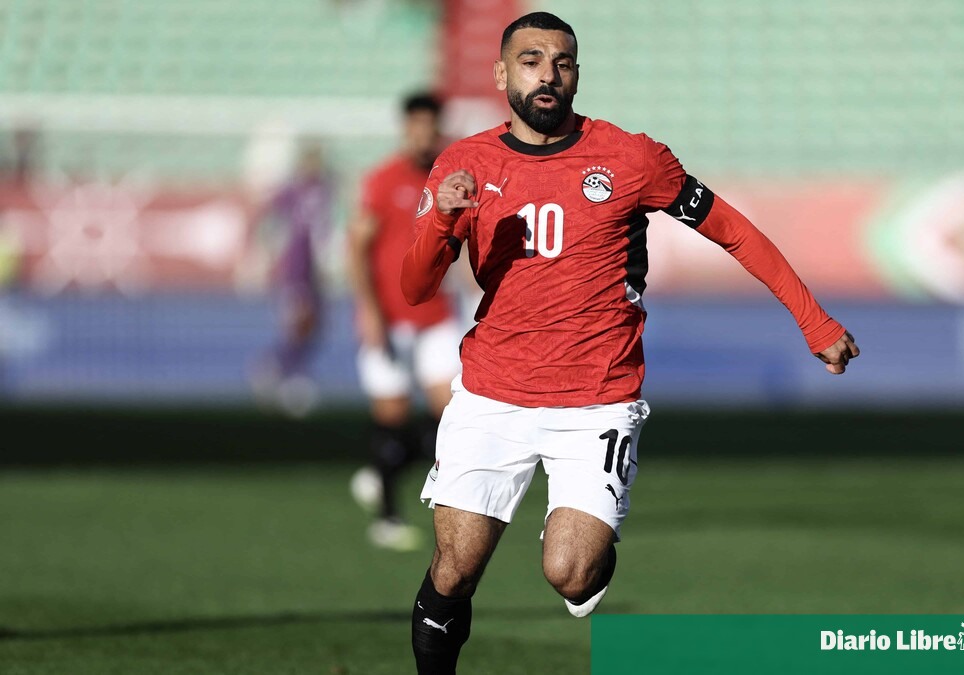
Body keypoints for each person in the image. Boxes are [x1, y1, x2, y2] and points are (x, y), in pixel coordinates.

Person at [402, 12, 860, 674]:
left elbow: (732, 230)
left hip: (596, 401)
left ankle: (590, 559)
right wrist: (443, 217)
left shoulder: (631, 157)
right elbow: (416, 289)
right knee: (454, 568)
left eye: (562, 62)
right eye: (531, 61)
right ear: (501, 74)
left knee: (570, 571)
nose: (547, 75)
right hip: (491, 395)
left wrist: (813, 320)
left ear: (576, 75)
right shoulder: (463, 164)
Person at [347, 93, 463, 551]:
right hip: (391, 318)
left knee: (452, 417)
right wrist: (369, 309)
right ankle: (387, 516)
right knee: (391, 417)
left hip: (435, 317)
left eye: (430, 127)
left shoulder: (449, 180)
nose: (423, 136)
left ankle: (382, 473)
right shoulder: (383, 180)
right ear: (405, 129)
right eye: (416, 127)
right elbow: (357, 248)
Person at [251, 141, 335, 417]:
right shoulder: (292, 190)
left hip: (314, 271)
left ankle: (282, 368)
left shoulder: (325, 189)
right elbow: (265, 217)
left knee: (315, 325)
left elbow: (324, 229)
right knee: (299, 322)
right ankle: (285, 373)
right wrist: (266, 250)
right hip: (296, 268)